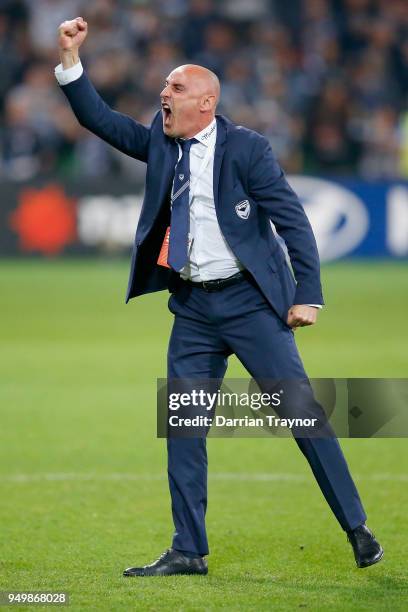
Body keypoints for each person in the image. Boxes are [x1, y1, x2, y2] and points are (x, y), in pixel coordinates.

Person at [56, 17, 383, 577]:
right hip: (195, 311)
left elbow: (294, 221)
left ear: (206, 103)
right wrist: (70, 60)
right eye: (164, 85)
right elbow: (98, 119)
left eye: (176, 88)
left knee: (301, 415)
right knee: (182, 427)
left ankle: (357, 530)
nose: (164, 93)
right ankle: (188, 549)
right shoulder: (161, 143)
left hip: (252, 304)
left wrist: (309, 294)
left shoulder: (247, 149)